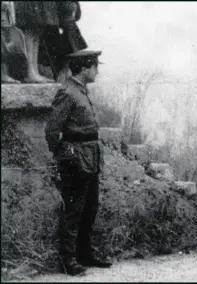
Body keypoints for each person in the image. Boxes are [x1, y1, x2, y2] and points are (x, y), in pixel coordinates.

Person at [45, 50, 111, 276]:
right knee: (73, 209)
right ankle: (68, 260)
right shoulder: (67, 92)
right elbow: (52, 130)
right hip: (76, 158)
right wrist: (64, 156)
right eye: (95, 67)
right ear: (84, 68)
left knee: (90, 207)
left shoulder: (81, 90)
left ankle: (85, 254)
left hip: (90, 155)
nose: (97, 71)